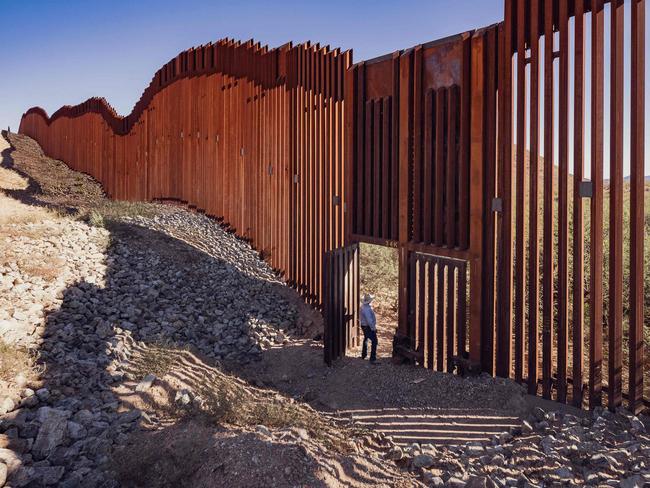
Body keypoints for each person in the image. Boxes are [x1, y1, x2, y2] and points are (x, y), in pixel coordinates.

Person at [360, 293, 378, 363]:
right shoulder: (367, 308)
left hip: (365, 326)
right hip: (368, 326)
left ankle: (364, 355)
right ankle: (372, 358)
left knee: (366, 338)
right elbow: (369, 320)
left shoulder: (363, 307)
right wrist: (373, 328)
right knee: (374, 341)